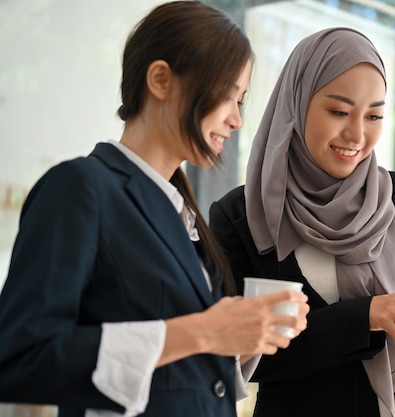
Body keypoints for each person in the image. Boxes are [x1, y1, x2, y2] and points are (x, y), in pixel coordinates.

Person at [0, 2, 309, 417]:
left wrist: (243, 335)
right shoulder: (79, 189)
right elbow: (21, 360)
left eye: (242, 100)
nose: (236, 119)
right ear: (161, 79)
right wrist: (202, 332)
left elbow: (177, 372)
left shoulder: (182, 212)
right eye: (227, 95)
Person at [209, 27, 395, 417]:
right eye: (339, 112)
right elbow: (246, 357)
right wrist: (364, 316)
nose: (357, 134)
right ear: (296, 103)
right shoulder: (243, 214)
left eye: (374, 115)